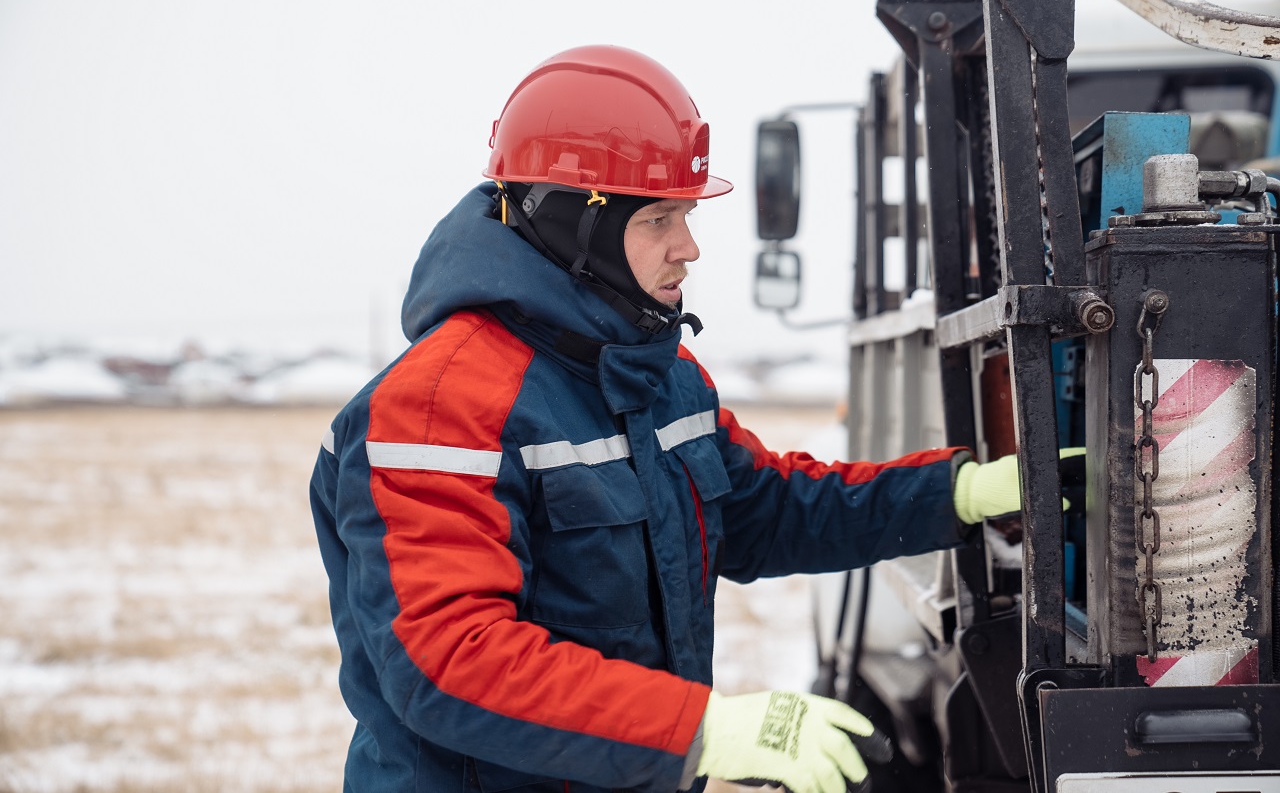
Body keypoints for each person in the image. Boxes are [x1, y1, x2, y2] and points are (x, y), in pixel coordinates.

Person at [309, 44, 1027, 793]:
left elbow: (765, 511)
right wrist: (699, 730)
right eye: (659, 218)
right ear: (573, 227)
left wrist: (957, 494)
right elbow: (451, 660)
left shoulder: (656, 376)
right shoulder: (440, 406)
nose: (689, 248)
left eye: (686, 215)